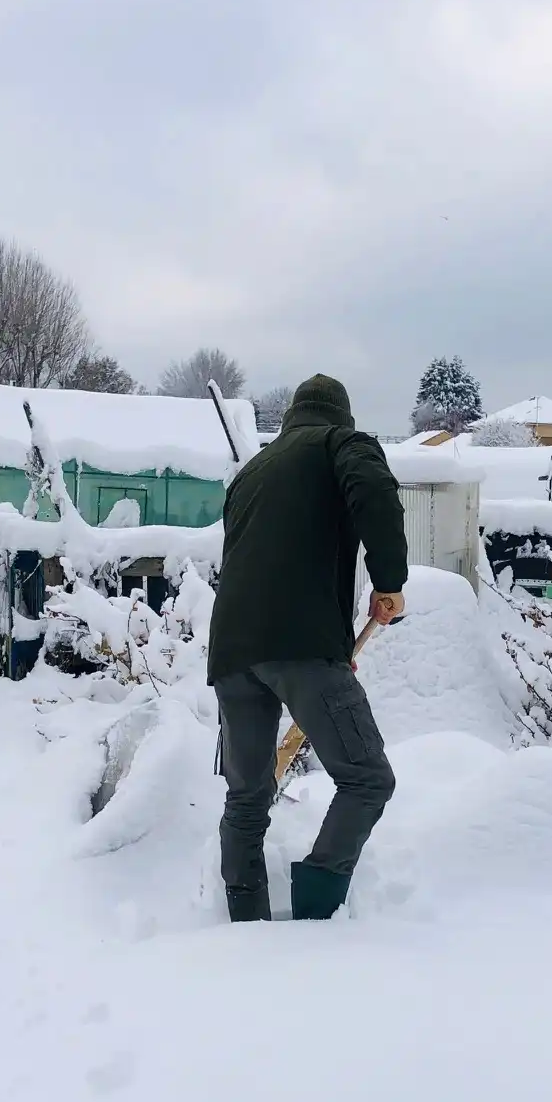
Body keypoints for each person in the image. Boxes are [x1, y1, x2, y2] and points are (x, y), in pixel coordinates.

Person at [207, 373, 408, 922]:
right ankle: (316, 926)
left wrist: (331, 643)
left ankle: (244, 925)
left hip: (232, 652)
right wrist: (389, 582)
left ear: (293, 415)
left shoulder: (251, 472)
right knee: (368, 779)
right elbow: (375, 495)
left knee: (246, 798)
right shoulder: (342, 443)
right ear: (340, 416)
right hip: (302, 644)